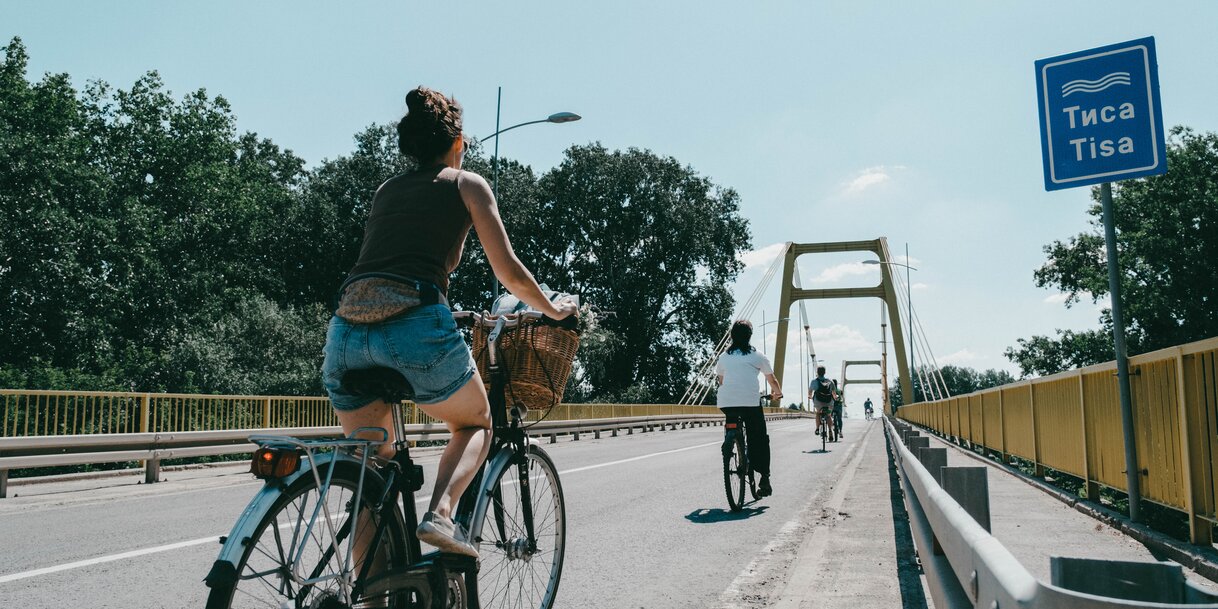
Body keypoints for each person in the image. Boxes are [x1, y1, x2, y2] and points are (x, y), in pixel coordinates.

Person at [320, 86, 578, 558]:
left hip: (346, 334)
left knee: (369, 470)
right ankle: (440, 515)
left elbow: (428, 259)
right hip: (415, 323)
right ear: (457, 140)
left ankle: (372, 594)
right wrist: (553, 310)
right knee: (477, 422)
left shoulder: (387, 189)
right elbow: (509, 273)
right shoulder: (467, 185)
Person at [715, 320, 783, 497]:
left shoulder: (723, 357)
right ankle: (765, 478)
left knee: (732, 419)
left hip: (726, 402)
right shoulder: (757, 355)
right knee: (759, 439)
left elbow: (721, 381)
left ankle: (729, 441)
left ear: (731, 335)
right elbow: (772, 379)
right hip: (751, 403)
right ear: (750, 336)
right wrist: (778, 393)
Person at [808, 366, 838, 437]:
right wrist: (835, 398)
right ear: (825, 372)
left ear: (817, 373)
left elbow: (810, 392)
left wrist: (810, 396)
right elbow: (834, 393)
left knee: (818, 413)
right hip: (828, 402)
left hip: (818, 402)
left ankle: (817, 428)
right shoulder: (830, 381)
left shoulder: (814, 381)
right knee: (828, 415)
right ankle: (830, 431)